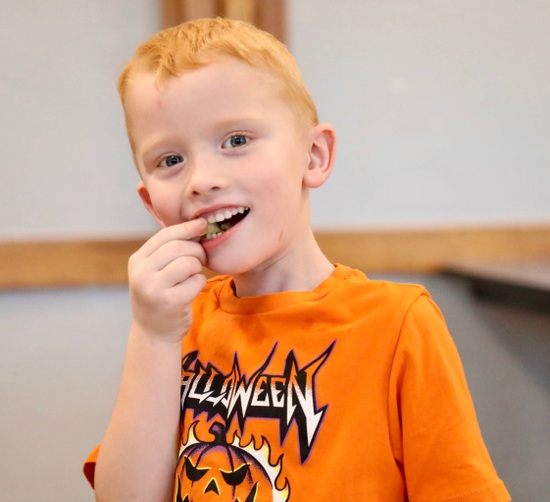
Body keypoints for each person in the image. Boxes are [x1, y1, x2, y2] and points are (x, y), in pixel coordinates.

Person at [83, 17, 510, 501]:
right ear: (151, 205)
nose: (200, 180)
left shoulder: (397, 325)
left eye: (236, 141)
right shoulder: (176, 328)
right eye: (170, 160)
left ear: (313, 156)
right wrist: (152, 336)